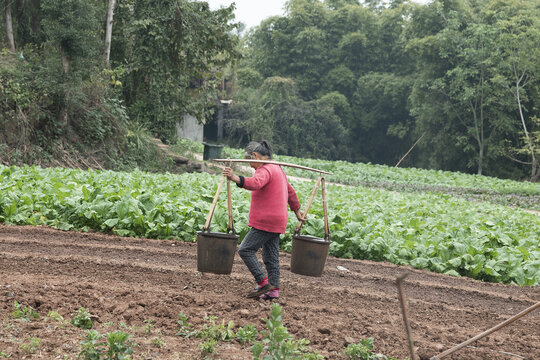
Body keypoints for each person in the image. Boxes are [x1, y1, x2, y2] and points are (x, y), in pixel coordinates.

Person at [222, 140, 303, 300]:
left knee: (245, 250)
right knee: (271, 257)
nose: (251, 166)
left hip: (266, 220)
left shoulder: (264, 169)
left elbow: (255, 183)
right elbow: (291, 192)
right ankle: (273, 290)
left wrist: (235, 178)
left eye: (250, 161)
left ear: (255, 156)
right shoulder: (278, 169)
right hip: (278, 220)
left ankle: (263, 282)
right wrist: (297, 211)